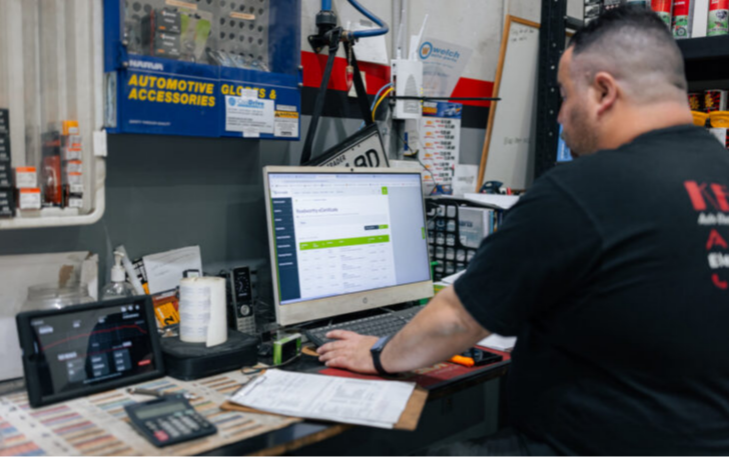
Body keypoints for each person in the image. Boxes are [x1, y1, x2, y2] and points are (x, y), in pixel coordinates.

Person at [317, 5, 729, 455]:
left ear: (603, 91)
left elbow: (456, 318)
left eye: (565, 96)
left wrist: (378, 355)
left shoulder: (585, 190)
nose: (560, 117)